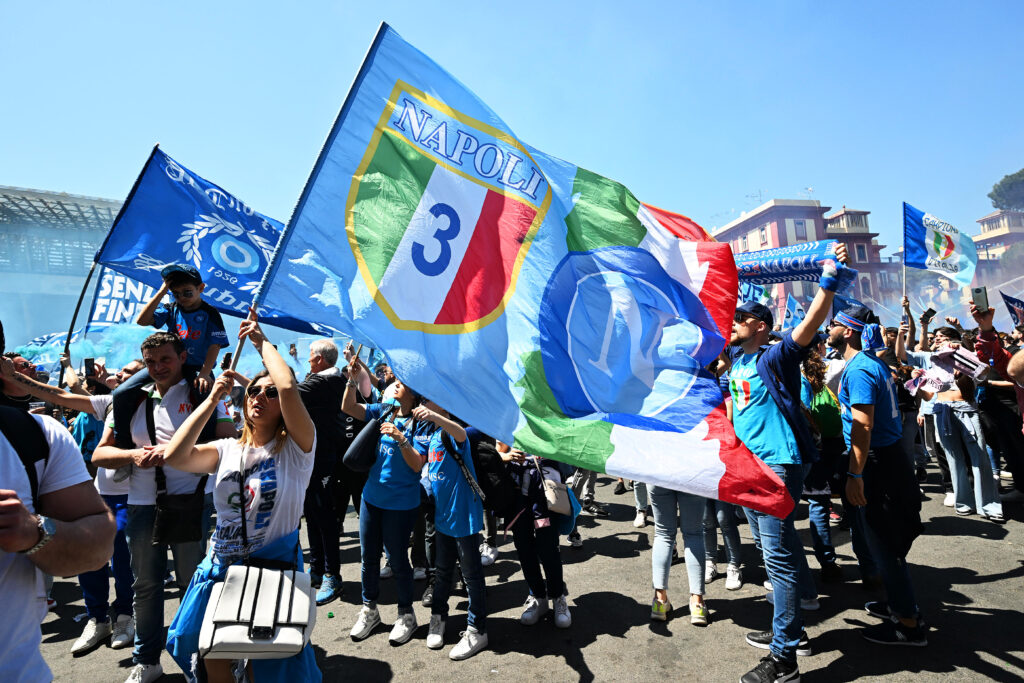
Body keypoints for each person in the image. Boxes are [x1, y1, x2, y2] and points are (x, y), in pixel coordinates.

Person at [162, 311, 321, 683]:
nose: (260, 396)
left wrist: (260, 341)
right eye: (253, 391)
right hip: (222, 570)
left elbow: (288, 387)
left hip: (271, 570)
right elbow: (176, 456)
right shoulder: (225, 449)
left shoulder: (298, 449)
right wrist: (211, 400)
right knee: (214, 653)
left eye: (269, 393)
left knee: (265, 662)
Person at [731, 243, 847, 683]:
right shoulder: (737, 359)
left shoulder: (774, 357)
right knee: (776, 551)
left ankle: (785, 660)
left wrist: (828, 283)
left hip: (778, 465)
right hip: (749, 467)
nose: (733, 322)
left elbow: (810, 324)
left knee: (776, 559)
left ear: (760, 327)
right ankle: (796, 623)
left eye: (741, 318)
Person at [92, 332, 235, 683]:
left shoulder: (202, 393)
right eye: (151, 362)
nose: (158, 368)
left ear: (183, 357)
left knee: (192, 584)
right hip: (142, 504)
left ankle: (195, 658)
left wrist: (176, 452)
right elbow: (99, 454)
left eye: (165, 359)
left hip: (191, 501)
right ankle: (147, 661)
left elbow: (230, 442)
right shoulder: (129, 400)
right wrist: (133, 455)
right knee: (145, 586)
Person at [0, 355, 145, 654]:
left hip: (140, 497)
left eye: (131, 372)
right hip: (104, 492)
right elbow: (64, 395)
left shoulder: (167, 404)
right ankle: (97, 618)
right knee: (92, 562)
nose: (121, 374)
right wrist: (14, 377)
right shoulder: (110, 403)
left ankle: (125, 616)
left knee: (123, 561)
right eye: (121, 371)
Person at [0, 315, 118, 682]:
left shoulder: (34, 437)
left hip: (114, 495)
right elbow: (66, 395)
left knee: (130, 573)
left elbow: (96, 546)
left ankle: (117, 619)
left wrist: (34, 532)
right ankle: (98, 617)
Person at [833, 304, 927, 646]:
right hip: (886, 459)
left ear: (848, 331)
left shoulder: (860, 368)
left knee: (884, 543)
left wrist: (855, 474)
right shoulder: (872, 362)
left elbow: (863, 426)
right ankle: (898, 605)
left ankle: (907, 623)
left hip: (876, 463)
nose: (827, 329)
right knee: (885, 539)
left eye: (833, 324)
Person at [342, 355, 433, 645]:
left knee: (398, 560)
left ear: (414, 393)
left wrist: (401, 438)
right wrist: (352, 380)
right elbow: (349, 408)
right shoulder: (385, 409)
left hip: (401, 504)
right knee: (368, 558)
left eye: (401, 382)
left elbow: (417, 465)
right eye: (395, 380)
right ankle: (369, 610)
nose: (394, 383)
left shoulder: (421, 423)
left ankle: (406, 615)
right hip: (371, 498)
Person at [111, 264, 228, 450]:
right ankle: (123, 444)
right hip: (170, 364)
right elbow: (142, 320)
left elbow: (215, 345)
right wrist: (162, 291)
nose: (182, 298)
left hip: (197, 367)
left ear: (201, 288)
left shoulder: (210, 313)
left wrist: (205, 373)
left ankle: (203, 446)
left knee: (205, 396)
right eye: (176, 294)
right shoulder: (171, 308)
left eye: (187, 292)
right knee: (121, 393)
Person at [418, 400, 489, 660]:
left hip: (464, 518)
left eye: (428, 399)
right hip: (443, 518)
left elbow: (460, 434)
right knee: (442, 572)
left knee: (471, 576)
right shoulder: (434, 436)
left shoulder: (453, 432)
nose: (423, 402)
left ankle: (477, 629)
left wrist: (436, 416)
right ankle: (438, 617)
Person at [501, 443, 574, 629]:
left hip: (545, 494)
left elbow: (568, 446)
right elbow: (496, 450)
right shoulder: (507, 426)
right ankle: (538, 597)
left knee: (548, 548)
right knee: (524, 549)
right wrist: (506, 456)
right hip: (516, 496)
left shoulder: (552, 423)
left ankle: (558, 597)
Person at [297, 339, 346, 605]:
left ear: (320, 359)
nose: (308, 360)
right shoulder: (323, 380)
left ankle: (332, 575)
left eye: (310, 356)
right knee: (313, 515)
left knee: (325, 518)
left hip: (324, 459)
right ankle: (316, 569)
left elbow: (286, 393)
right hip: (311, 458)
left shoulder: (325, 381)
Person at [649, 484, 709, 625]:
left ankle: (659, 601)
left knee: (663, 533)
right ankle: (697, 604)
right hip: (692, 476)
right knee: (693, 534)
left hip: (658, 474)